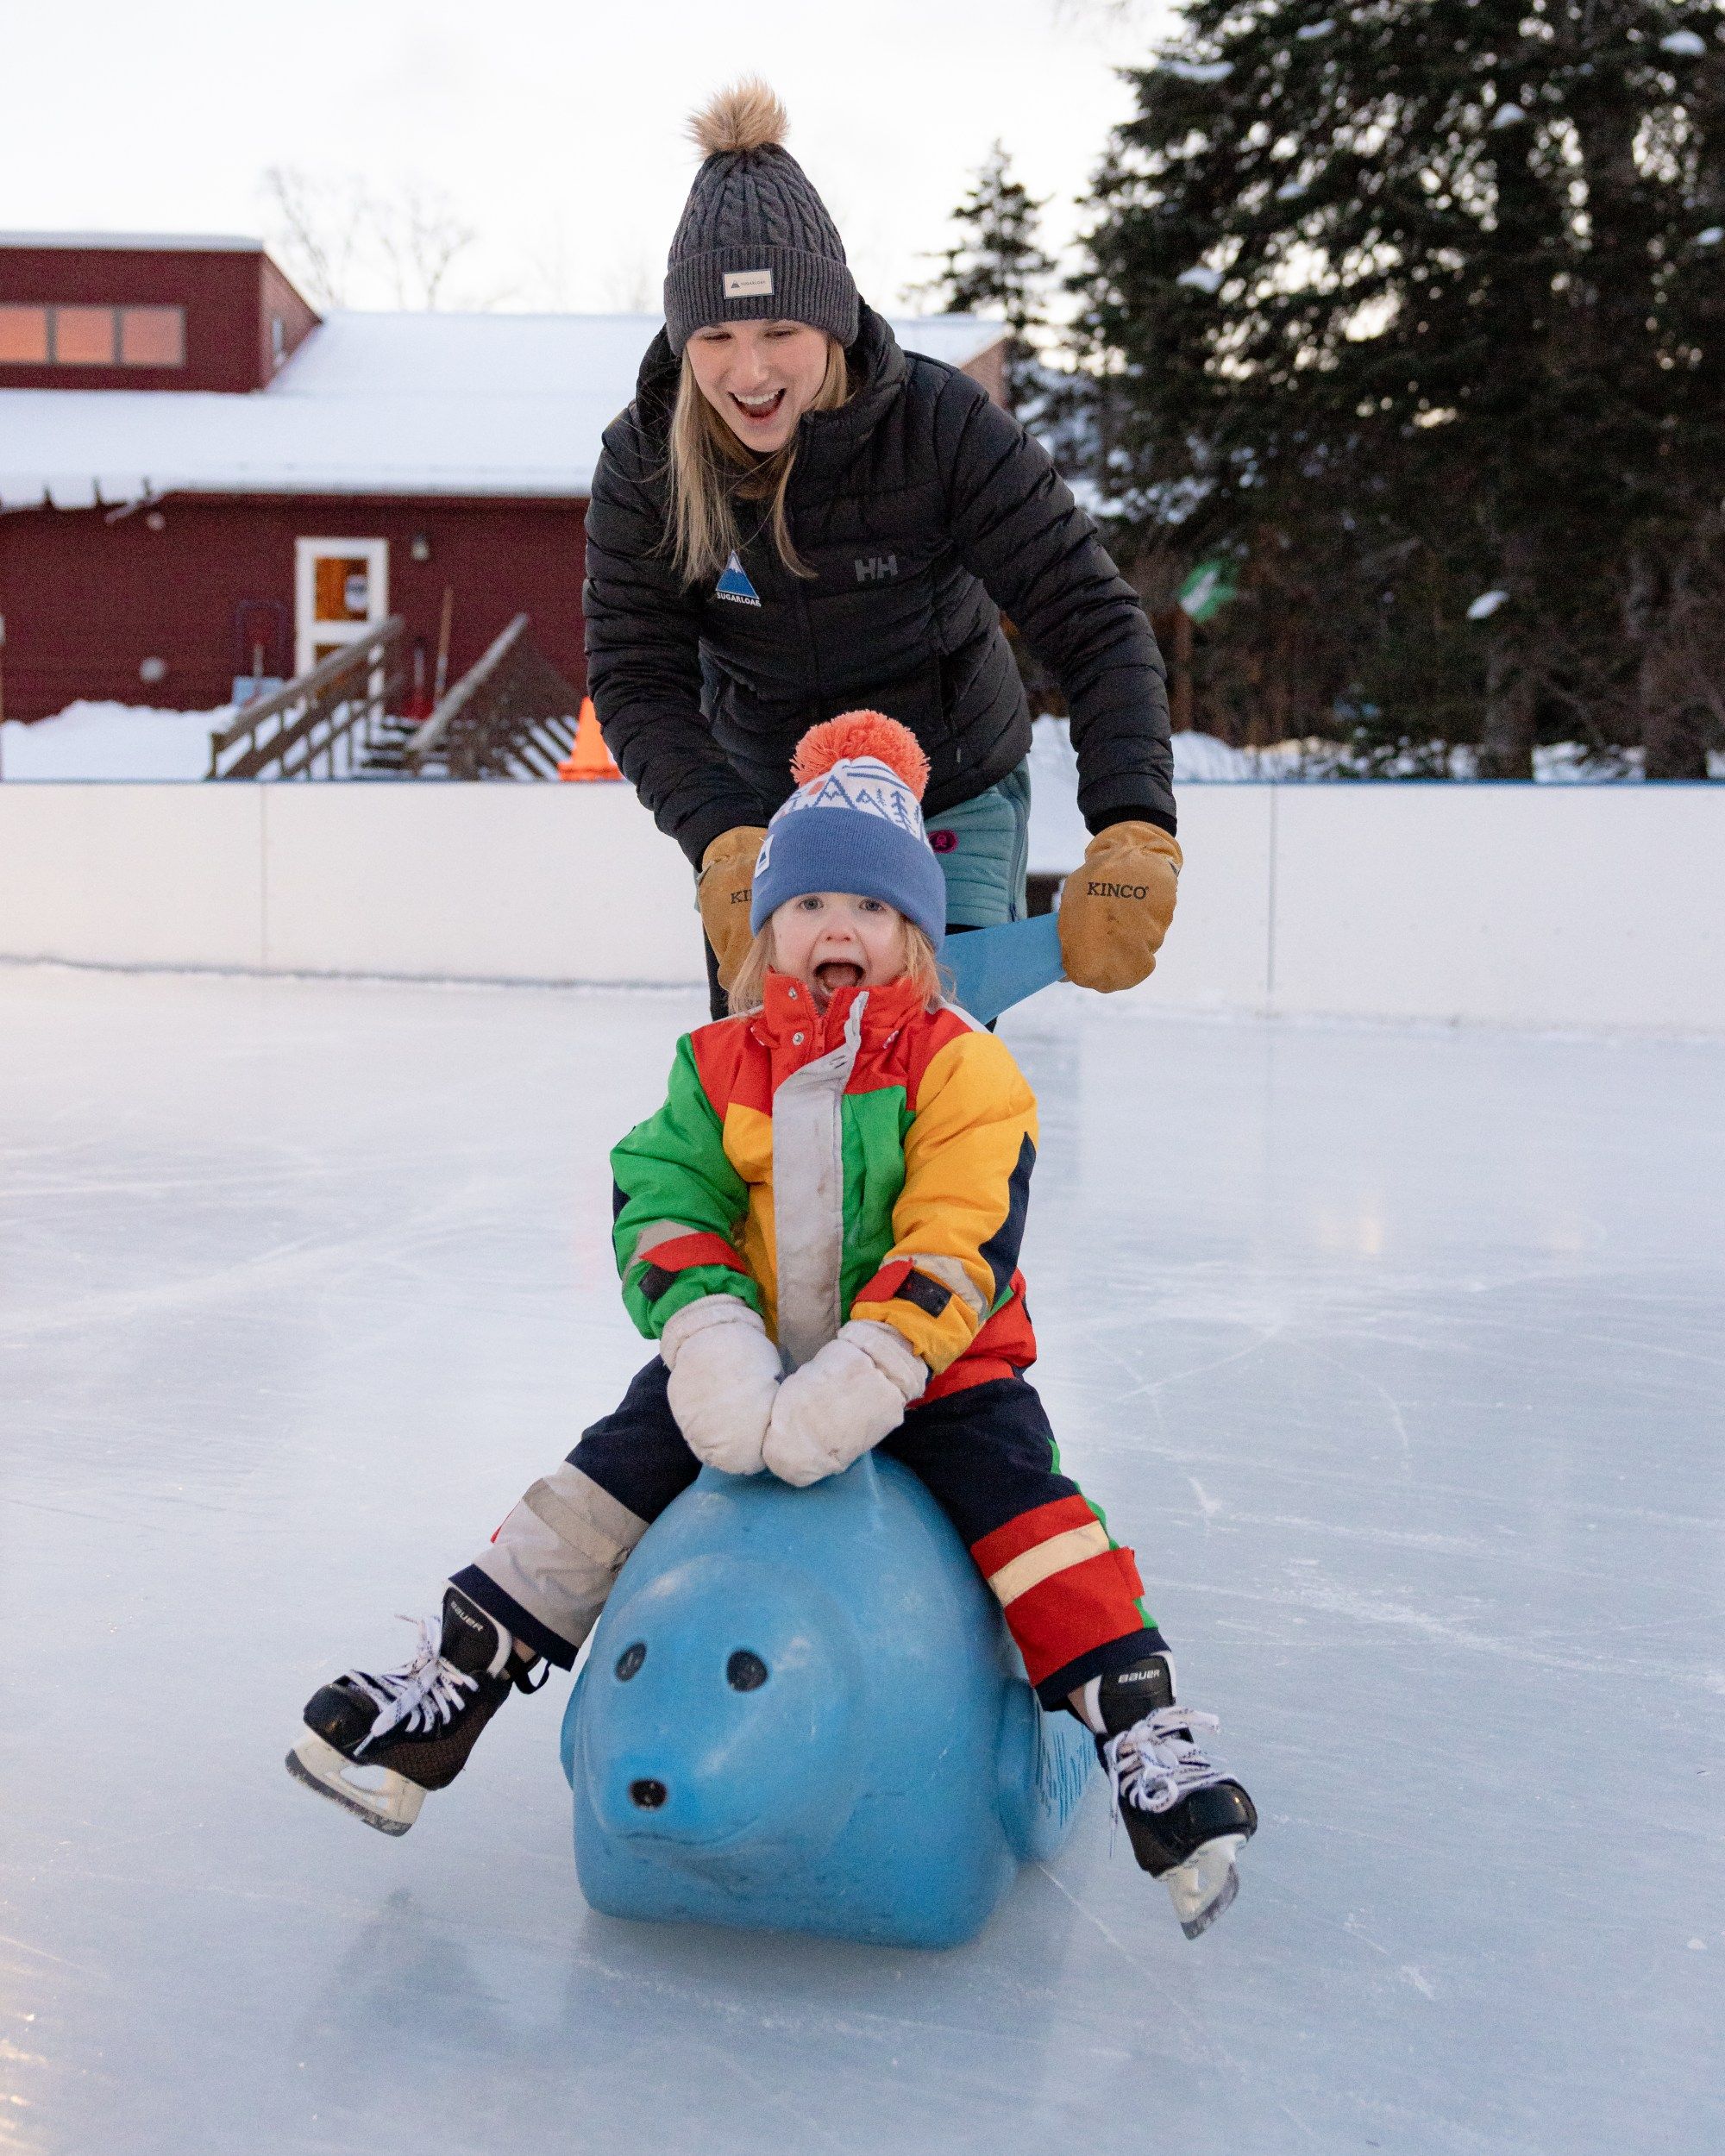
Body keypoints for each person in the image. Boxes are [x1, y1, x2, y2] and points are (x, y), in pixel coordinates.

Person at [287, 713, 1256, 1938]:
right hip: (750, 1363)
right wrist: (706, 1335)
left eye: (868, 904)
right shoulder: (715, 1062)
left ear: (913, 931)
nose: (834, 927)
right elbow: (663, 1197)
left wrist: (878, 1360)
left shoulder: (962, 1068)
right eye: (807, 905)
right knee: (595, 1487)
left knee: (1032, 1519)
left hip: (940, 1369)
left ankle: (1142, 1740)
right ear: (767, 931)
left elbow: (961, 1237)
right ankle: (445, 1693)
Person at [583, 80, 1183, 1020]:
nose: (748, 372)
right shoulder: (645, 462)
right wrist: (723, 838)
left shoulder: (942, 427)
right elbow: (634, 672)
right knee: (767, 1104)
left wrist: (1131, 827)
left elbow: (1094, 620)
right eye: (715, 336)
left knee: (944, 1095)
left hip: (948, 789)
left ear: (831, 318)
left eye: (780, 331)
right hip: (767, 817)